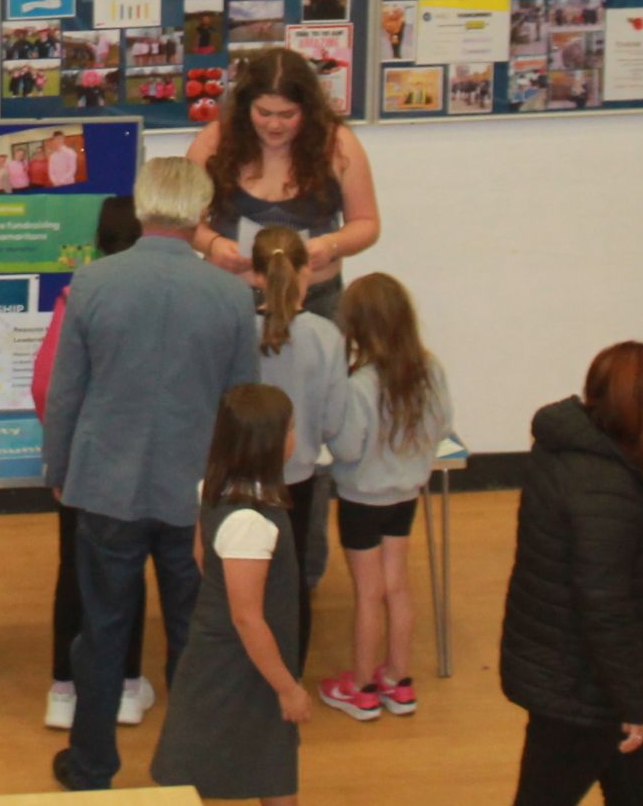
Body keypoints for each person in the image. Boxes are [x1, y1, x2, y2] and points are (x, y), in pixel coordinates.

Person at [42, 158, 262, 792]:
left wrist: (60, 470)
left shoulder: (92, 283)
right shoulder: (227, 294)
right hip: (196, 491)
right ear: (201, 215)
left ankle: (91, 767)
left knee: (102, 630)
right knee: (196, 634)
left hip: (106, 486)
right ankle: (190, 767)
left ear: (141, 209)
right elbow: (244, 401)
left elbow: (66, 396)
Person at [498, 341, 643, 806]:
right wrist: (634, 702)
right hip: (585, 690)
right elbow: (604, 606)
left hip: (572, 669)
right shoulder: (608, 489)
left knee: (635, 791)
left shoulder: (565, 450)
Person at [149, 383, 308, 806]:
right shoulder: (250, 521)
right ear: (271, 444)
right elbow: (247, 618)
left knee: (271, 768)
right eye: (292, 428)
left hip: (242, 656)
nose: (297, 435)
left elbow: (201, 554)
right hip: (240, 664)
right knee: (200, 772)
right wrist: (288, 688)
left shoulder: (215, 488)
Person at [30, 196, 151, 730]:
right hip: (144, 462)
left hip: (84, 463)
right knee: (131, 575)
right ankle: (125, 686)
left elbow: (47, 387)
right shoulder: (163, 294)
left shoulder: (77, 293)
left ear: (99, 240)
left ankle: (64, 689)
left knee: (74, 573)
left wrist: (59, 460)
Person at [319, 272, 454, 724]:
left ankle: (360, 687)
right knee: (397, 584)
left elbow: (348, 447)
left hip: (362, 499)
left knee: (368, 593)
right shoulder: (430, 368)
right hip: (406, 493)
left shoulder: (360, 383)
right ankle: (398, 679)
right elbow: (440, 426)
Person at [188, 48, 383, 319]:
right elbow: (184, 221)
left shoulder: (337, 144)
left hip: (315, 301)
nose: (275, 125)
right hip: (228, 296)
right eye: (264, 113)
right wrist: (213, 244)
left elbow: (366, 223)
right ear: (246, 107)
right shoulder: (214, 142)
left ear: (308, 109)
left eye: (288, 114)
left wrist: (331, 245)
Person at [250, 228, 350, 678]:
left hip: (240, 482)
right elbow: (333, 423)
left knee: (244, 585)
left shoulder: (236, 330)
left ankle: (246, 676)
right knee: (289, 587)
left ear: (254, 275)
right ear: (308, 273)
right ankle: (290, 675)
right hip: (299, 481)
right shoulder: (326, 335)